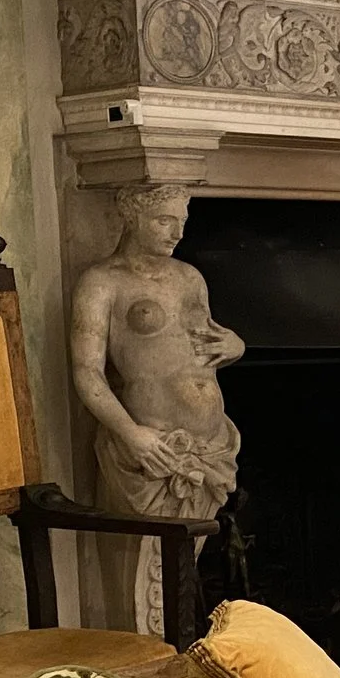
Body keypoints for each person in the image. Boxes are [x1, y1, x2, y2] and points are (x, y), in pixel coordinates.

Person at [69, 184, 245, 634]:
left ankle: (173, 662)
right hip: (151, 448)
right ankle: (149, 669)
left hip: (208, 447)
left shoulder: (189, 278)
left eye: (182, 221)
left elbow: (207, 344)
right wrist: (132, 435)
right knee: (142, 575)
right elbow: (87, 373)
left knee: (181, 572)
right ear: (132, 215)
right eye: (165, 220)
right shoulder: (102, 282)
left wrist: (236, 345)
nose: (177, 233)